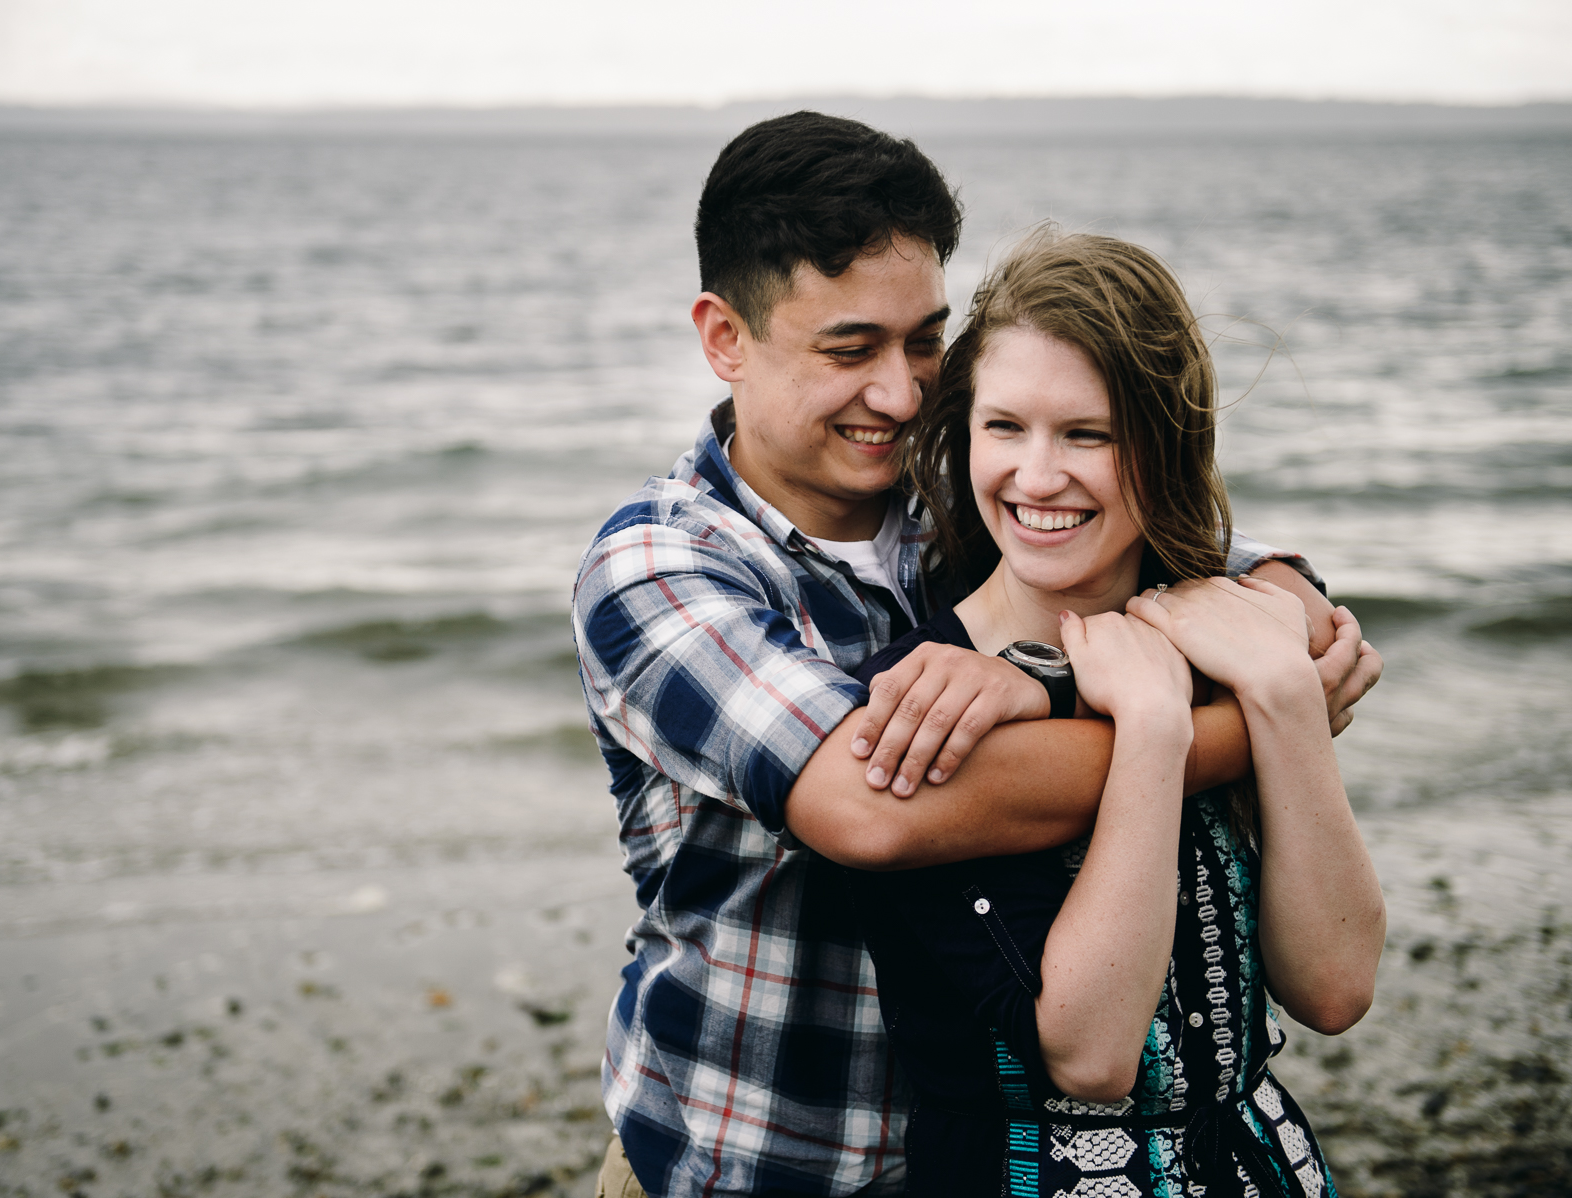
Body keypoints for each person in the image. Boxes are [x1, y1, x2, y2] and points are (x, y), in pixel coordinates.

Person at [572, 112, 1381, 1198]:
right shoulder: (659, 562)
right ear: (725, 337)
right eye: (850, 350)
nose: (904, 396)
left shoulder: (957, 495)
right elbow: (880, 808)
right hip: (764, 1157)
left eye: (923, 342)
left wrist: (1278, 622)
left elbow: (1226, 561)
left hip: (977, 1155)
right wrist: (1228, 716)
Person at [845, 228, 1385, 1197]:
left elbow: (1336, 986)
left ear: (1164, 445)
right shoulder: (930, 697)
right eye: (1004, 427)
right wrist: (1149, 731)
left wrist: (1280, 695)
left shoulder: (1232, 635)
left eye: (1086, 434)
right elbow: (1092, 1057)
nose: (1037, 477)